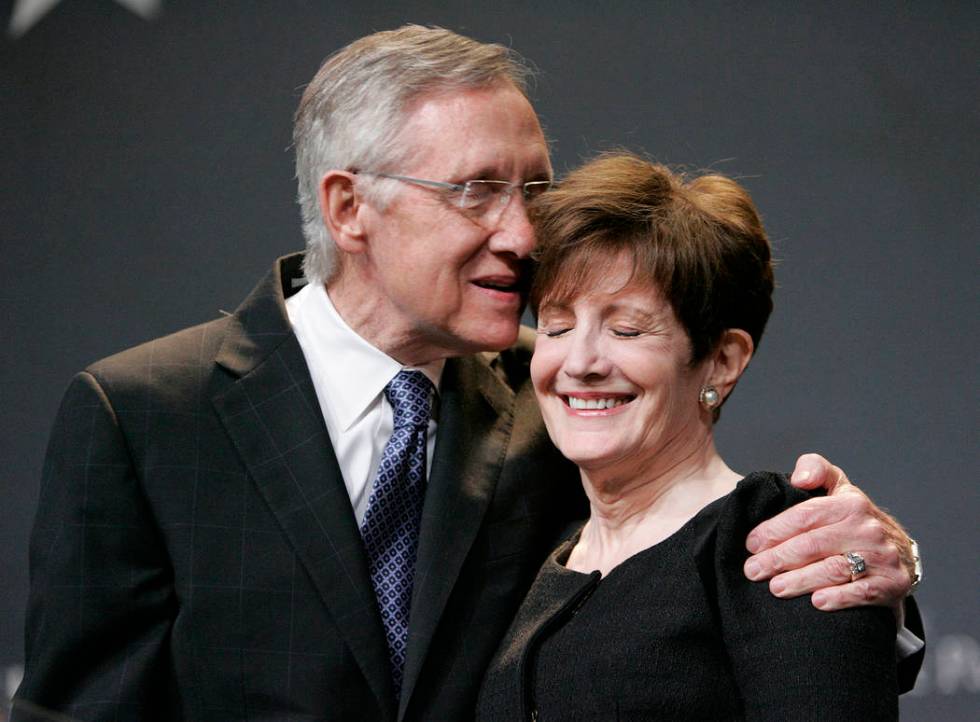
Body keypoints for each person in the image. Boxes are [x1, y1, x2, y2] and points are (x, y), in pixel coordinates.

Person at [14, 26, 921, 722]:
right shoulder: (145, 417)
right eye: (477, 190)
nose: (525, 236)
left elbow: (714, 594)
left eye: (534, 190)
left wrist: (878, 575)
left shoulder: (564, 400)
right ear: (349, 207)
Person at [477, 153, 901, 720]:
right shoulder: (545, 553)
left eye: (627, 328)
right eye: (556, 324)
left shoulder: (776, 538)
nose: (579, 361)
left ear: (722, 361)